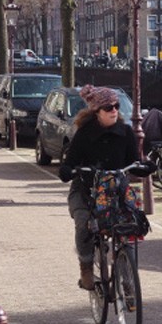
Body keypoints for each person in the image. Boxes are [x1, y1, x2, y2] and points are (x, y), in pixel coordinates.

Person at [59, 85, 146, 291]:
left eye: (116, 106)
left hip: (116, 190)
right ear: (96, 111)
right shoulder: (84, 134)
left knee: (129, 224)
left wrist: (145, 166)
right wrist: (68, 170)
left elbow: (135, 161)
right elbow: (69, 162)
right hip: (86, 190)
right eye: (108, 107)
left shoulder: (125, 132)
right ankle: (86, 268)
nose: (114, 110)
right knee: (83, 222)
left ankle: (128, 279)